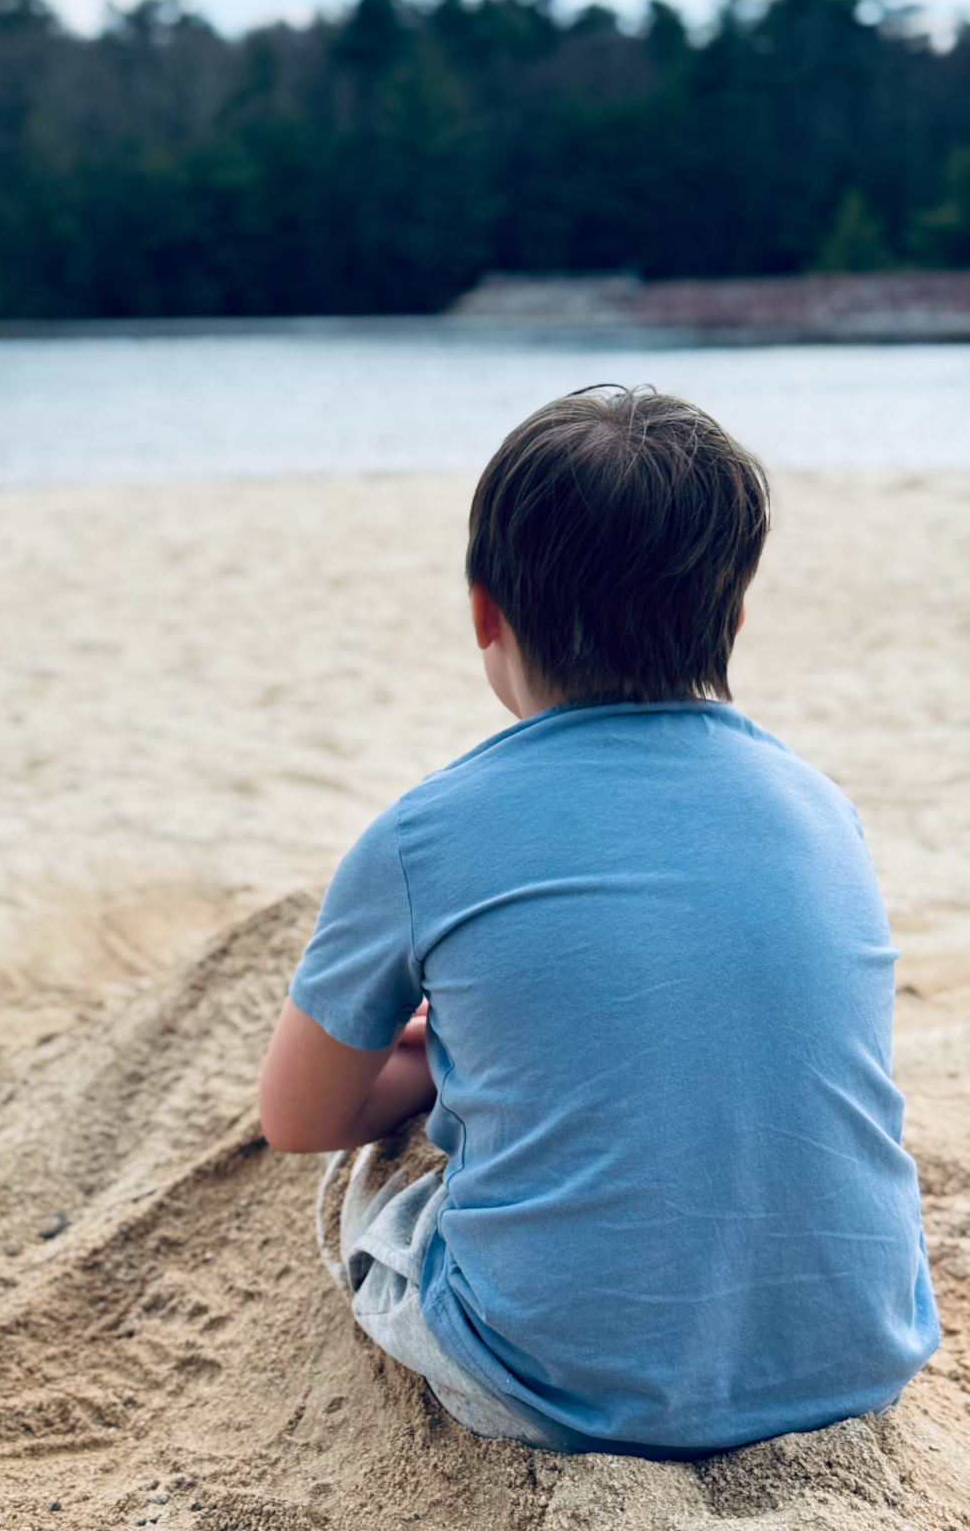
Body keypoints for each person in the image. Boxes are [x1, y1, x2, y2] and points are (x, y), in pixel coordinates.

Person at [258, 385, 938, 1459]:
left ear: (486, 611)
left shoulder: (421, 837)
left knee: (368, 1180)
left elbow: (297, 1117)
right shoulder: (820, 808)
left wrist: (441, 1053)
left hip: (554, 1383)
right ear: (738, 612)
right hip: (855, 1356)